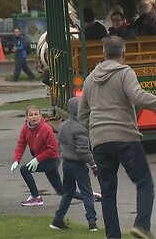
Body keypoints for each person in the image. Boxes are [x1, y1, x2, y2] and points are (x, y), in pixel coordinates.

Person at [78, 36, 156, 239]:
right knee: (144, 182)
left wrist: (95, 130)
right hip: (125, 136)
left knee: (108, 192)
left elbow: (82, 114)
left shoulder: (90, 79)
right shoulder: (124, 72)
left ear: (103, 53)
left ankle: (113, 236)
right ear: (123, 53)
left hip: (100, 141)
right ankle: (142, 225)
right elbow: (138, 96)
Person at [49, 97, 99, 232]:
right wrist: (93, 164)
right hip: (78, 164)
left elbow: (60, 146)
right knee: (87, 193)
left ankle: (57, 220)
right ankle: (92, 223)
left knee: (68, 192)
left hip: (66, 164)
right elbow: (83, 150)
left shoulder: (63, 126)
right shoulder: (81, 128)